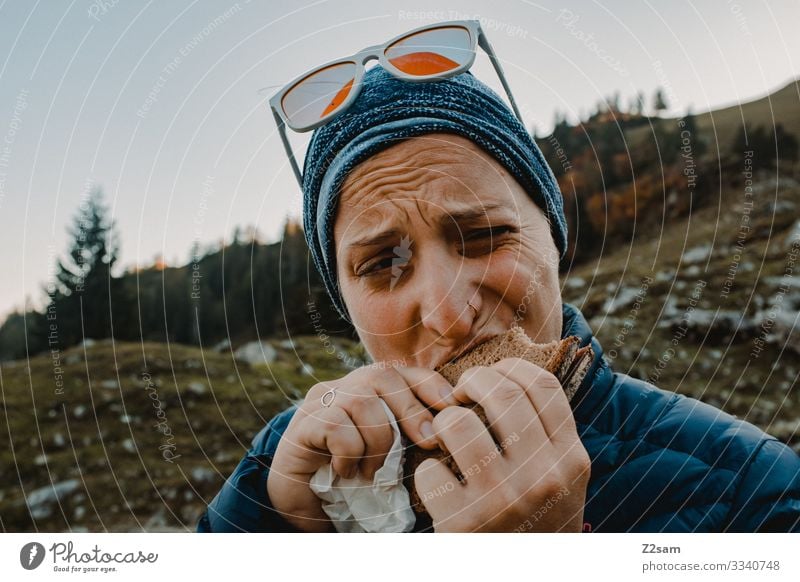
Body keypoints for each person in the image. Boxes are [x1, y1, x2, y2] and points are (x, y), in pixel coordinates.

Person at [197, 21, 800, 533]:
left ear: (553, 236)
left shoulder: (756, 492)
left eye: (483, 237)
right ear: (345, 301)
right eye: (382, 264)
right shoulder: (286, 471)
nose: (448, 313)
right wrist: (278, 527)